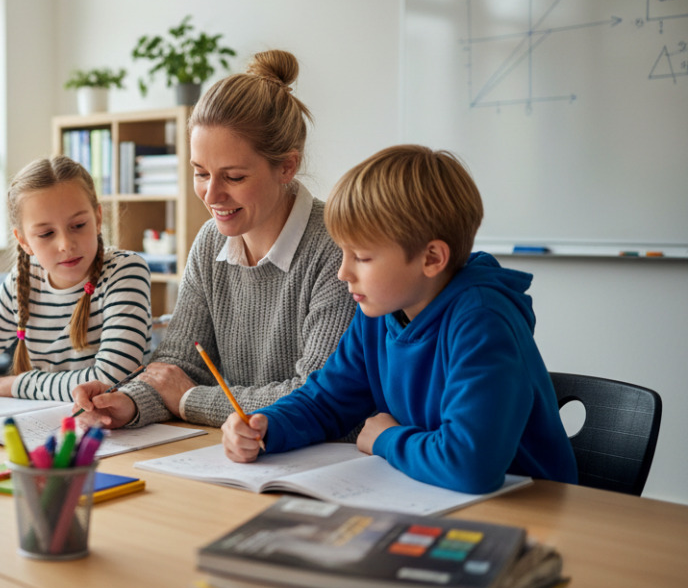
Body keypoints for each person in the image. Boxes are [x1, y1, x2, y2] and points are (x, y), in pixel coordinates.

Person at [223, 144, 578, 493]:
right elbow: (326, 401)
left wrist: (386, 438)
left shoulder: (482, 321)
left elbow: (471, 465)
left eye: (361, 257)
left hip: (533, 509)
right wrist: (265, 426)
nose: (343, 272)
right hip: (433, 496)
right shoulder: (380, 311)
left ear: (431, 258)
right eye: (343, 253)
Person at [72, 50, 355, 429]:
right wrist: (126, 402)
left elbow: (317, 396)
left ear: (287, 166)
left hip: (325, 464)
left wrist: (190, 399)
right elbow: (177, 364)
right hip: (236, 454)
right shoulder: (210, 242)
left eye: (234, 177)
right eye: (200, 173)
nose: (211, 195)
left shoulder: (337, 245)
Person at [0, 155, 151, 404]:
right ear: (24, 241)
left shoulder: (125, 270)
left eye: (78, 225)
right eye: (46, 234)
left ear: (98, 219)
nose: (65, 244)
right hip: (42, 422)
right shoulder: (24, 280)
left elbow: (113, 380)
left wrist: (18, 384)